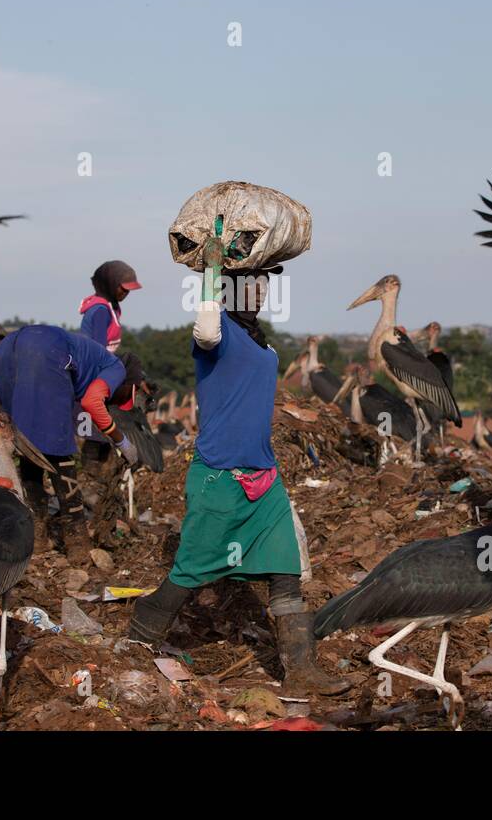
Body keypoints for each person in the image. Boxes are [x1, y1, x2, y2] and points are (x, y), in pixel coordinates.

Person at [128, 228, 347, 697]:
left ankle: (301, 670)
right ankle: (142, 631)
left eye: (264, 281)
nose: (261, 289)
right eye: (251, 280)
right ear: (227, 289)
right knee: (190, 572)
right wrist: (210, 269)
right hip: (220, 479)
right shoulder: (216, 334)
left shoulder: (260, 343)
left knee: (285, 571)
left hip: (264, 479)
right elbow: (206, 327)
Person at [0, 325, 137, 563]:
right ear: (129, 385)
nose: (118, 402)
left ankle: (36, 536)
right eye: (126, 398)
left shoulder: (89, 356)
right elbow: (92, 401)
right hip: (47, 349)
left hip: (4, 352)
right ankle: (77, 541)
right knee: (59, 449)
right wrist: (123, 442)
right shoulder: (116, 368)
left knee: (29, 447)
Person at [79, 260, 141, 352]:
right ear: (111, 284)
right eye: (123, 289)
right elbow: (99, 352)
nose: (126, 293)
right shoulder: (101, 311)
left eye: (128, 290)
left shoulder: (112, 306)